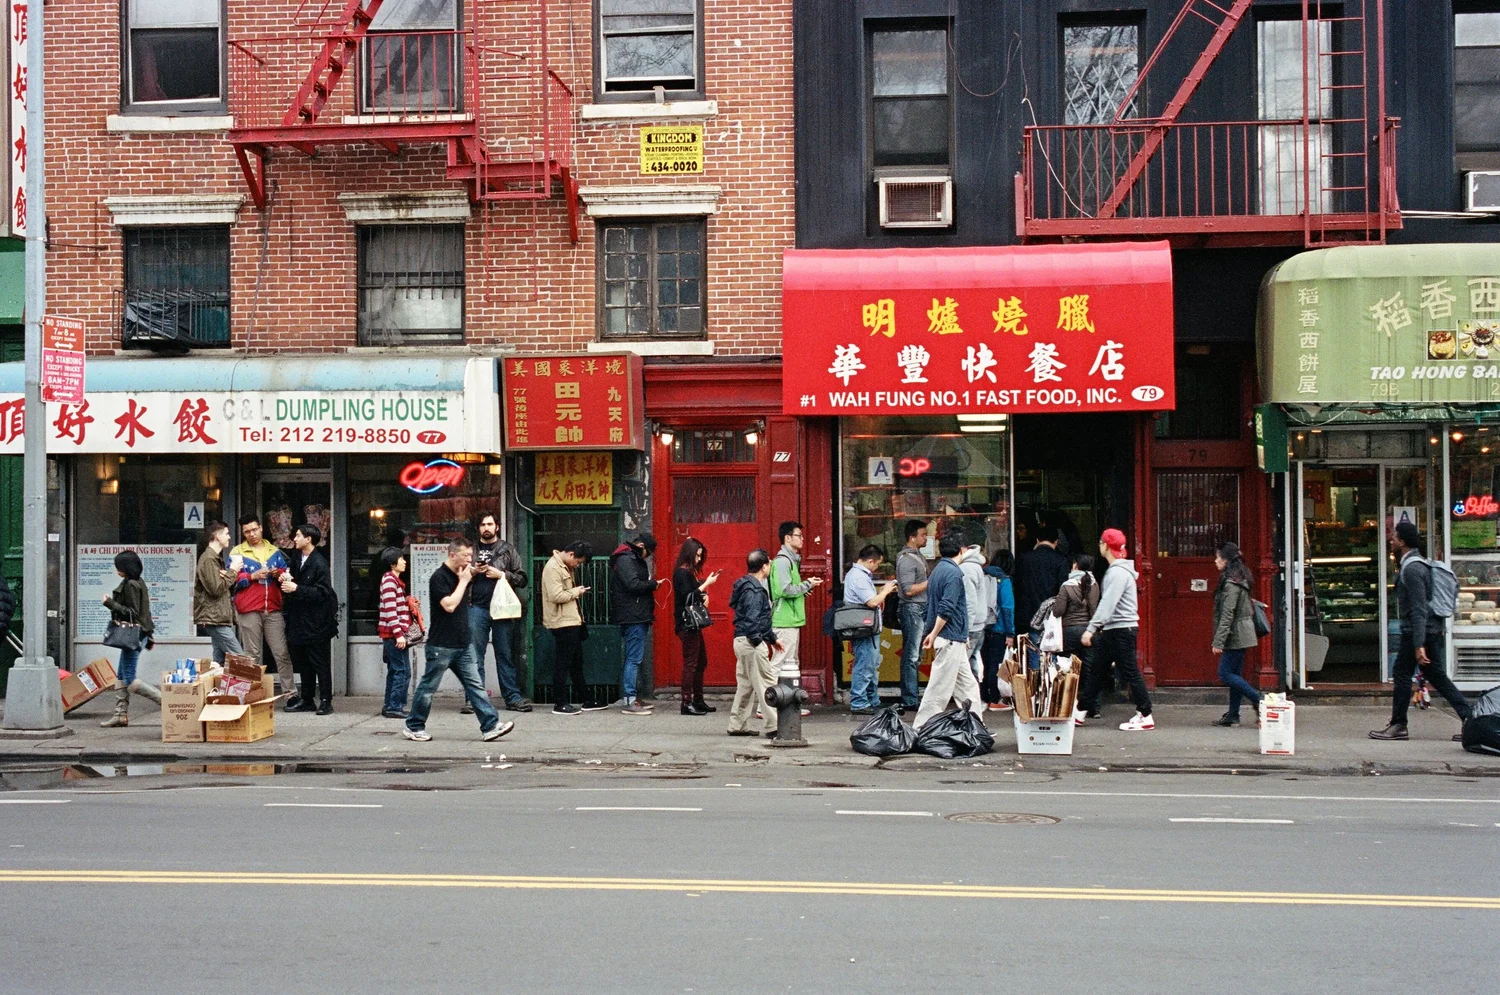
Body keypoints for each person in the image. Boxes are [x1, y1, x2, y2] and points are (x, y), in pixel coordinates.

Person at [402, 537, 515, 743]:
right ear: (453, 555)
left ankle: (490, 725)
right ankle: (414, 726)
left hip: (463, 644)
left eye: (471, 555)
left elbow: (471, 571)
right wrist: (464, 581)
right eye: (466, 556)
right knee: (428, 688)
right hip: (441, 645)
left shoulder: (462, 572)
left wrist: (476, 571)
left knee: (475, 686)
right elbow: (449, 605)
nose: (469, 559)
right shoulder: (439, 577)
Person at [1371, 522, 1473, 741]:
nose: (1391, 541)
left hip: (1419, 632)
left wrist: (1418, 645)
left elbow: (1419, 609)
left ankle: (1399, 725)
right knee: (1436, 676)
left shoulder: (1413, 569)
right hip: (1426, 630)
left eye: (1394, 537)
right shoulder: (1415, 564)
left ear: (1403, 542)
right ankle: (1470, 719)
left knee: (1401, 673)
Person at [1078, 529, 1154, 731]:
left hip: (1120, 629)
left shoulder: (1116, 573)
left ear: (1106, 546)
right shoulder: (1120, 571)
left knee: (1129, 671)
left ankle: (1145, 714)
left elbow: (1108, 603)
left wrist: (1091, 628)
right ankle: (1080, 711)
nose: (1099, 545)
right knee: (1098, 669)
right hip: (1117, 629)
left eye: (1101, 542)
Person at [914, 532, 985, 729]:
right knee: (939, 689)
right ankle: (921, 727)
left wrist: (958, 634)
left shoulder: (938, 570)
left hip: (953, 637)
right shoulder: (954, 573)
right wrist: (934, 633)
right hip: (950, 638)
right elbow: (947, 608)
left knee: (968, 686)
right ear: (962, 550)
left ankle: (976, 726)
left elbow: (932, 606)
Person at [467, 513, 531, 715]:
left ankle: (512, 697)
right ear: (478, 528)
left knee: (504, 654)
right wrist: (471, 572)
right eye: (482, 524)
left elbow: (523, 579)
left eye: (490, 524)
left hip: (502, 608)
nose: (486, 527)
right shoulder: (470, 550)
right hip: (476, 607)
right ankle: (474, 699)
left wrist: (501, 574)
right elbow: (454, 575)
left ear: (497, 527)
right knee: (475, 656)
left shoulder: (508, 549)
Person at [231, 513, 297, 702]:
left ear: (261, 528)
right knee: (251, 655)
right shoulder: (237, 552)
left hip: (273, 608)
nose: (251, 534)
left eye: (254, 530)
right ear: (243, 533)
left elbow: (287, 574)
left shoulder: (274, 550)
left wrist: (279, 574)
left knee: (281, 653)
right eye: (247, 532)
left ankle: (290, 694)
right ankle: (249, 695)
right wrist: (252, 576)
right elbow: (231, 579)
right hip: (249, 609)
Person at [280, 525, 339, 715]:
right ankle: (307, 699)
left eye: (298, 536)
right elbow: (293, 580)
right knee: (303, 662)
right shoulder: (297, 558)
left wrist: (297, 589)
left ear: (309, 539)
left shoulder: (320, 563)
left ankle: (325, 700)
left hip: (317, 622)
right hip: (298, 620)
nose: (294, 539)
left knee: (320, 662)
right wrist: (285, 579)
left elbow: (322, 592)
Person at [99, 549, 160, 728]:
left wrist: (110, 603)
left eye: (119, 567)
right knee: (121, 675)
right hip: (138, 634)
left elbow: (133, 612)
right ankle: (120, 715)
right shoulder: (137, 582)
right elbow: (145, 612)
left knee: (130, 678)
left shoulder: (132, 584)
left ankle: (166, 701)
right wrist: (149, 636)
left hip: (133, 635)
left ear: (126, 567)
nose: (117, 570)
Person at [726, 549, 781, 737]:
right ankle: (774, 725)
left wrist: (772, 639)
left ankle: (737, 724)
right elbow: (754, 619)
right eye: (769, 563)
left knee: (746, 685)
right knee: (766, 683)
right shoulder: (755, 590)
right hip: (751, 643)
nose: (770, 566)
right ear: (764, 566)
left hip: (740, 640)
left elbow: (754, 618)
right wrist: (759, 641)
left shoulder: (744, 585)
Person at [769, 521, 823, 709]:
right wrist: (807, 584)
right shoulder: (783, 561)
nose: (802, 539)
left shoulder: (789, 560)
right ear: (788, 538)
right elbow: (785, 590)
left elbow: (789, 590)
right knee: (780, 663)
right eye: (799, 535)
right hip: (784, 621)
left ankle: (788, 706)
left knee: (790, 664)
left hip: (790, 620)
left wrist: (803, 589)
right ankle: (767, 705)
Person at [609, 533, 665, 714]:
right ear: (641, 546)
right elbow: (633, 584)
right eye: (648, 552)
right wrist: (652, 584)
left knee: (635, 657)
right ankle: (629, 699)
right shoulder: (626, 559)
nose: (647, 556)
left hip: (636, 614)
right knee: (633, 658)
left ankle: (633, 698)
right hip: (633, 616)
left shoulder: (629, 558)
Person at [542, 540, 599, 714]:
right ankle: (560, 703)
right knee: (563, 663)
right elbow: (555, 596)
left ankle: (587, 699)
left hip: (571, 620)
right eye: (578, 562)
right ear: (571, 554)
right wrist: (577, 592)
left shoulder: (565, 566)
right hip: (562, 622)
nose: (577, 565)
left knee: (576, 663)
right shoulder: (553, 568)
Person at [1210, 542, 1263, 727]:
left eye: (1218, 558)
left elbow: (1227, 613)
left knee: (1225, 674)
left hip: (1236, 633)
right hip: (1241, 631)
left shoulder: (1231, 583)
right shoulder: (1240, 577)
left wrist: (1218, 641)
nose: (1215, 561)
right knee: (1235, 674)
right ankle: (1233, 715)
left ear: (1226, 560)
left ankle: (1259, 700)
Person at [845, 544, 898, 715]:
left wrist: (881, 592)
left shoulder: (858, 575)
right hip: (864, 628)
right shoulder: (858, 577)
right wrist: (886, 591)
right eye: (877, 564)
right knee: (865, 664)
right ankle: (859, 702)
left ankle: (871, 699)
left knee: (871, 665)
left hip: (868, 627)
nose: (877, 568)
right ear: (870, 561)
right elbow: (872, 602)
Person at [673, 538, 721, 715]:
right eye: (697, 555)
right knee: (691, 663)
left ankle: (698, 700)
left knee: (701, 662)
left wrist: (703, 594)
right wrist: (706, 584)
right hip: (686, 624)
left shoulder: (688, 573)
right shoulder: (681, 573)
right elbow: (687, 597)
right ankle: (686, 703)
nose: (699, 559)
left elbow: (693, 594)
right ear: (689, 554)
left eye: (701, 556)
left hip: (692, 624)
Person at [1053, 552, 1101, 718]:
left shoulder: (1067, 585)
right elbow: (1094, 610)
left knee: (1066, 668)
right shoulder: (1094, 584)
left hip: (1069, 631)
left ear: (1075, 565)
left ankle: (1066, 705)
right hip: (1088, 631)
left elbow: (1058, 611)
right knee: (1090, 669)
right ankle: (1093, 707)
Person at [192, 520, 244, 665]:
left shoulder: (213, 558)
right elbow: (216, 589)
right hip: (215, 618)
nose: (229, 537)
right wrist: (233, 570)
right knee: (241, 660)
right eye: (226, 534)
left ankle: (218, 680)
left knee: (220, 662)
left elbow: (220, 587)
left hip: (217, 617)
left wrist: (228, 575)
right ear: (217, 536)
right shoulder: (209, 559)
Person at [894, 520, 931, 712]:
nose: (926, 538)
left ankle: (911, 695)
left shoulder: (917, 556)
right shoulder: (907, 559)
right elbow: (908, 589)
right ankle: (910, 698)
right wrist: (931, 581)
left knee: (916, 655)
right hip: (912, 609)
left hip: (919, 608)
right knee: (912, 655)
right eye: (923, 535)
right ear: (912, 538)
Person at [1015, 523, 1070, 650]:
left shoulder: (1024, 559)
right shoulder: (1061, 560)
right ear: (1056, 542)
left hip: (1027, 614)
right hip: (1050, 616)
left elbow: (1018, 585)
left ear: (1037, 540)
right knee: (1051, 652)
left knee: (1030, 653)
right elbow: (1063, 591)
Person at [376, 547, 413, 719]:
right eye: (401, 559)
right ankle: (395, 706)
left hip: (392, 634)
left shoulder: (392, 580)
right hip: (393, 635)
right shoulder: (390, 581)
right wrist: (399, 634)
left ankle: (390, 704)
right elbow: (391, 611)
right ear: (392, 563)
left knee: (395, 670)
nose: (404, 561)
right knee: (402, 671)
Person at [981, 549, 1016, 709]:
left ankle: (984, 696)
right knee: (996, 664)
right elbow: (1007, 607)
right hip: (999, 628)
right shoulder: (1004, 580)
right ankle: (995, 699)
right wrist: (1010, 632)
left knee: (984, 663)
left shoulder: (983, 576)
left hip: (982, 626)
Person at [958, 534, 993, 682]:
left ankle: (969, 694)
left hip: (971, 626)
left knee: (962, 666)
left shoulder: (966, 568)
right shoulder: (975, 566)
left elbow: (970, 602)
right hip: (978, 624)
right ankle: (973, 693)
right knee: (970, 663)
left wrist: (965, 629)